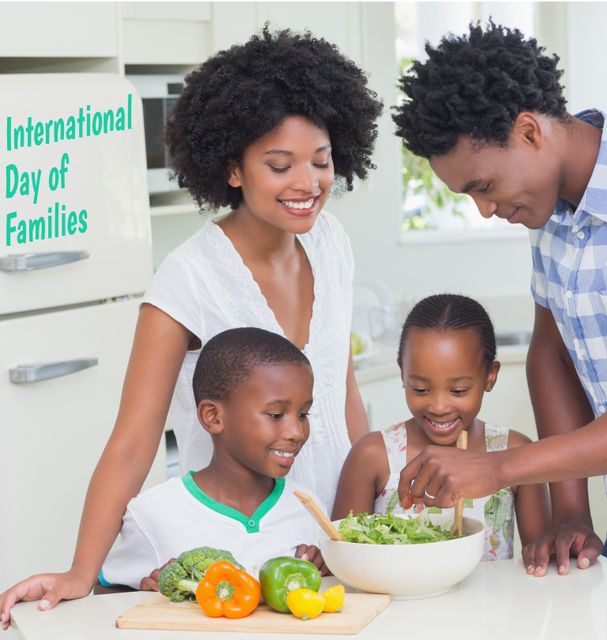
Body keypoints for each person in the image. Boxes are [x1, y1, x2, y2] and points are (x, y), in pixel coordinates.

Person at [0, 26, 382, 628]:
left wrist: (365, 518)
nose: (307, 184)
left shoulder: (332, 244)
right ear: (232, 169)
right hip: (241, 547)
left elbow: (342, 391)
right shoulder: (188, 280)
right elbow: (132, 442)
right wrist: (81, 571)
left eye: (321, 160)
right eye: (280, 165)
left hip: (334, 535)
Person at [392, 21, 607, 575]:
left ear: (529, 131)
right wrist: (571, 509)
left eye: (483, 186)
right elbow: (552, 354)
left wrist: (503, 468)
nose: (484, 210)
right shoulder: (549, 218)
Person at [100, 327, 327, 590]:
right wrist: (150, 593)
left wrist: (326, 567)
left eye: (303, 414)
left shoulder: (308, 506)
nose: (296, 432)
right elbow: (106, 593)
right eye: (276, 415)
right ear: (213, 417)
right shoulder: (153, 513)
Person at [332, 294, 550, 561]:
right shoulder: (372, 456)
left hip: (491, 604)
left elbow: (541, 563)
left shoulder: (515, 453)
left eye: (458, 390)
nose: (438, 406)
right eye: (420, 389)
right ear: (403, 373)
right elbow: (341, 556)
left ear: (490, 376)